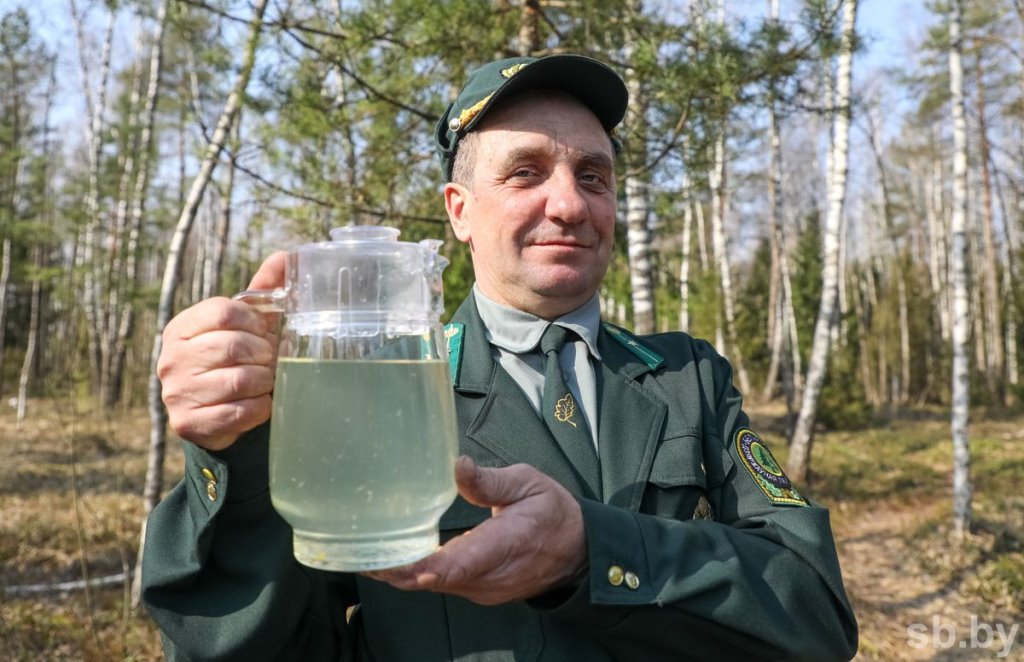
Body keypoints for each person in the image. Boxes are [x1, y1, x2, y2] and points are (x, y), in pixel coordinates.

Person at [143, 54, 858, 661]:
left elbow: (815, 615)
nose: (570, 204)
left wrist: (592, 551)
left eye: (592, 176)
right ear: (459, 210)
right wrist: (236, 454)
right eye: (525, 172)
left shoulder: (687, 377)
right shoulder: (373, 387)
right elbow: (257, 645)